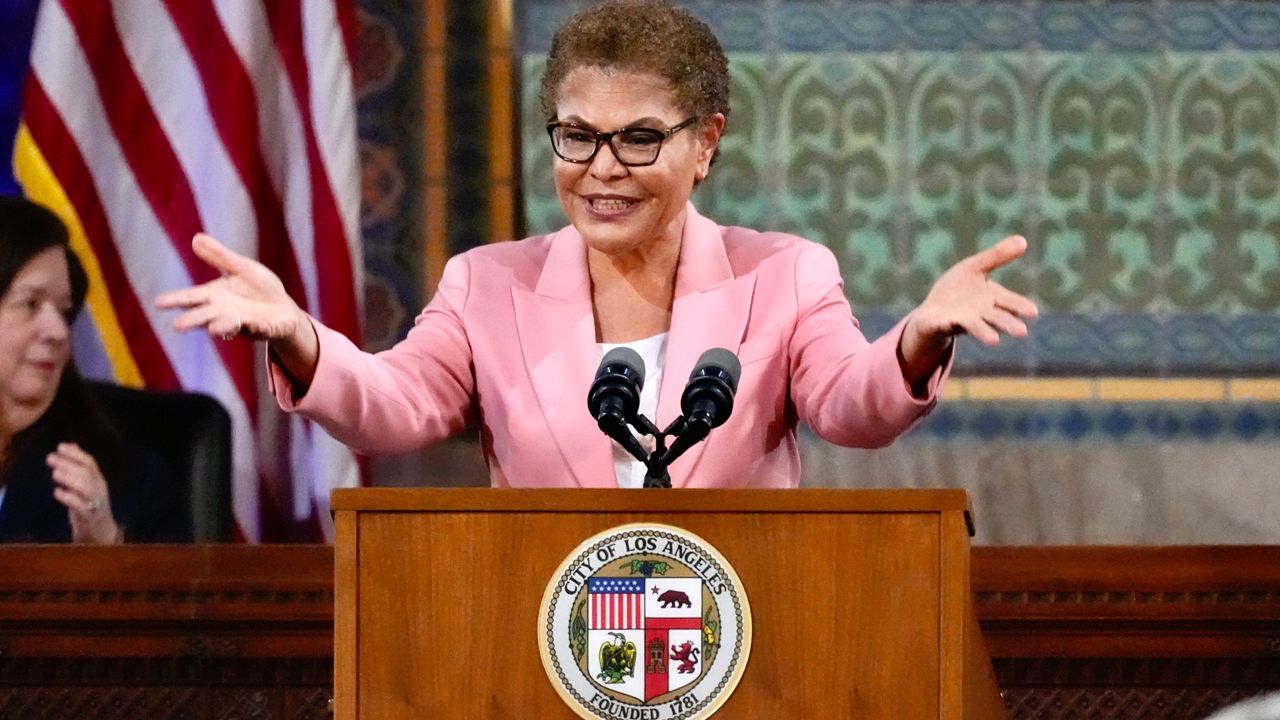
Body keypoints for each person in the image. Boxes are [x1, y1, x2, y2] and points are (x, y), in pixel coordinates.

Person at [156, 0, 1038, 490]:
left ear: (706, 143)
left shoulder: (784, 274)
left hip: (744, 648)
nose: (601, 169)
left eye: (639, 138)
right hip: (540, 644)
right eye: (576, 135)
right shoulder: (485, 284)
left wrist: (920, 337)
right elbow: (396, 407)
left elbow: (854, 407)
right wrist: (300, 339)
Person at [0, 196, 126, 542]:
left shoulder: (124, 478)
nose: (58, 332)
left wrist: (106, 551)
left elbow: (178, 594)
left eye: (64, 311)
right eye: (31, 304)